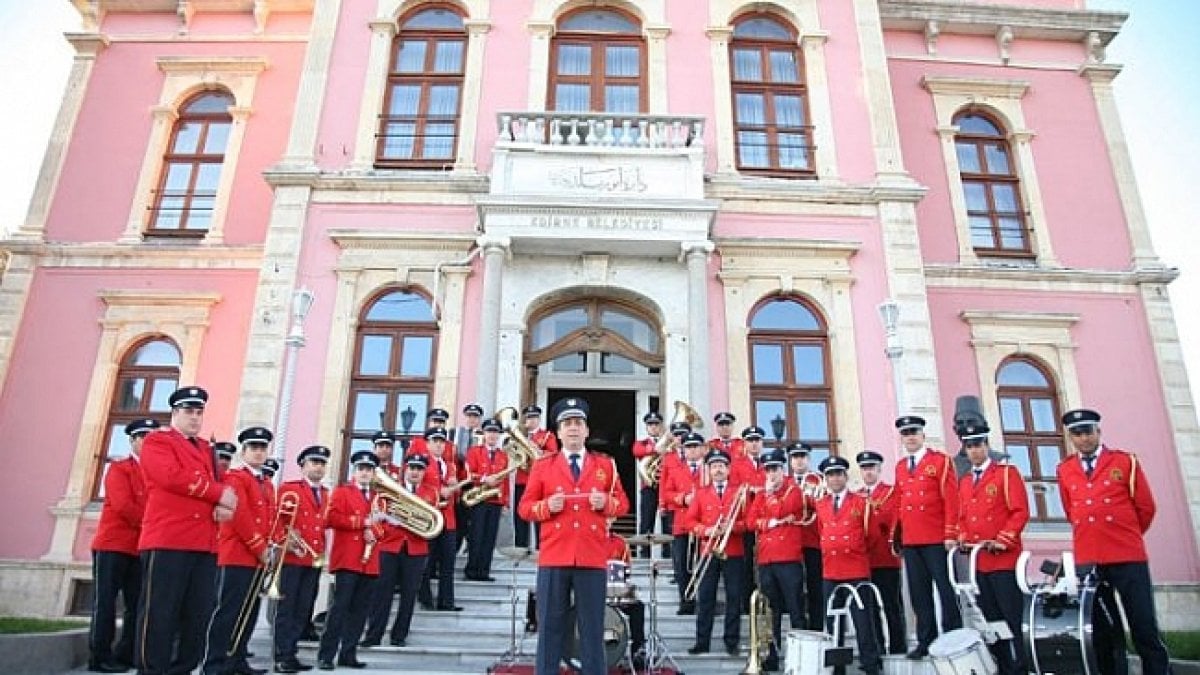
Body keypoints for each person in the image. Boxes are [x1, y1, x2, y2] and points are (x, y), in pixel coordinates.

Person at [518, 397, 630, 675]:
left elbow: (623, 504)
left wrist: (604, 502)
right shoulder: (543, 465)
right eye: (567, 424)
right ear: (558, 432)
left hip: (591, 557)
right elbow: (524, 508)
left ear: (587, 431)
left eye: (578, 423)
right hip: (555, 556)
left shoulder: (606, 465)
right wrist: (546, 507)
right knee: (549, 629)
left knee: (593, 630)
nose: (573, 429)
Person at [1057, 408, 1172, 675]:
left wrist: (1124, 534)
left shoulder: (1124, 462)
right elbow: (1071, 510)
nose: (1083, 439)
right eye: (1077, 434)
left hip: (1127, 556)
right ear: (1071, 437)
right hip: (1090, 558)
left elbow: (1146, 508)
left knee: (1144, 626)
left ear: (1098, 432)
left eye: (1087, 432)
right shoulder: (1065, 469)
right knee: (1104, 632)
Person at [135, 386, 237, 675]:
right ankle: (151, 670)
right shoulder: (158, 440)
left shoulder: (206, 448)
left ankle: (183, 668)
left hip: (203, 542)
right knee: (160, 613)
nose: (195, 417)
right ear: (175, 413)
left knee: (197, 615)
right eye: (188, 411)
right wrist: (217, 493)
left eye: (199, 412)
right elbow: (170, 477)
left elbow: (225, 486)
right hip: (169, 538)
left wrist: (226, 503)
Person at [955, 422, 1028, 675]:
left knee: (1011, 618)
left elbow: (1019, 512)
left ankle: (1019, 666)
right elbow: (962, 516)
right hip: (980, 562)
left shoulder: (1006, 474)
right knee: (991, 621)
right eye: (969, 446)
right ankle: (1002, 665)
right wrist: (963, 538)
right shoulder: (964, 482)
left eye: (978, 445)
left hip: (1003, 561)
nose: (974, 451)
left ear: (987, 446)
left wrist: (1003, 539)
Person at [203, 425, 276, 675]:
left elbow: (271, 517)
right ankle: (214, 664)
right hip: (237, 553)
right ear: (243, 451)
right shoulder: (235, 478)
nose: (258, 452)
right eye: (253, 448)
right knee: (228, 611)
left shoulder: (266, 482)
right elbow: (238, 514)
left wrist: (271, 545)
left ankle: (237, 660)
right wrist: (259, 547)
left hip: (258, 557)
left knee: (249, 612)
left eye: (262, 448)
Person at [89, 417, 157, 673]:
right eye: (143, 437)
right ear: (132, 441)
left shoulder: (153, 472)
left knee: (136, 604)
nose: (147, 442)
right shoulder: (120, 468)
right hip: (113, 545)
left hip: (139, 548)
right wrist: (154, 523)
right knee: (105, 602)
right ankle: (99, 656)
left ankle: (126, 653)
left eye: (152, 438)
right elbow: (123, 506)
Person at [894, 415, 961, 659]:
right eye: (905, 434)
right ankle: (926, 639)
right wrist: (898, 537)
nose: (910, 437)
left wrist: (951, 532)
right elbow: (900, 503)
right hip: (912, 539)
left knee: (945, 589)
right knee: (919, 593)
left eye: (914, 432)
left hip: (936, 537)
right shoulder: (901, 466)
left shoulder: (940, 461)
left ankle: (953, 636)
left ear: (922, 435)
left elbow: (951, 499)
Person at [317, 450, 386, 670]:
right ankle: (326, 655)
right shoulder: (342, 492)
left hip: (370, 561)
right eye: (361, 469)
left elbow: (383, 525)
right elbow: (331, 518)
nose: (365, 473)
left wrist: (374, 531)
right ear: (354, 472)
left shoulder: (378, 497)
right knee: (340, 608)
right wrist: (361, 524)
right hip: (348, 559)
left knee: (360, 611)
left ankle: (348, 653)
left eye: (369, 470)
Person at [816, 455, 883, 675]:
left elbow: (872, 536)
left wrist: (856, 551)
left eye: (838, 474)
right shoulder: (821, 504)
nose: (834, 479)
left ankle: (871, 665)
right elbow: (821, 531)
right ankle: (838, 668)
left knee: (863, 621)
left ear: (846, 476)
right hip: (831, 569)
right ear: (826, 479)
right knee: (834, 622)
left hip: (855, 569)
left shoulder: (861, 503)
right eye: (830, 475)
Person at [746, 447, 806, 672]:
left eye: (775, 469)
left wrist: (770, 500)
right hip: (766, 559)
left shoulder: (794, 490)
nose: (771, 474)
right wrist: (769, 522)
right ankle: (771, 654)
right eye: (768, 470)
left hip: (788, 558)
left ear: (783, 469)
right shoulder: (761, 494)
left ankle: (800, 655)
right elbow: (752, 522)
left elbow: (784, 509)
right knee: (771, 611)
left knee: (795, 608)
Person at [273, 445, 330, 674]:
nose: (318, 467)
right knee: (287, 609)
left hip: (312, 558)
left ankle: (291, 652)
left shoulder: (326, 494)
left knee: (303, 608)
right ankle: (281, 655)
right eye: (313, 462)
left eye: (321, 463)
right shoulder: (290, 489)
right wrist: (286, 540)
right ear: (303, 465)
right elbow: (278, 520)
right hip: (292, 558)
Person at [684, 445, 746, 657]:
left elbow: (747, 522)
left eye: (721, 466)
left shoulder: (739, 492)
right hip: (709, 550)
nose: (718, 470)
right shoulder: (701, 494)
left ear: (728, 469)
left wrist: (732, 527)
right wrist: (707, 530)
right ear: (709, 470)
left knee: (734, 597)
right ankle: (702, 641)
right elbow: (689, 522)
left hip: (734, 551)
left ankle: (731, 641)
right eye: (714, 466)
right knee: (706, 597)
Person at [377, 455, 437, 647]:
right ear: (405, 470)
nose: (414, 472)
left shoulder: (431, 493)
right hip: (391, 545)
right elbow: (380, 512)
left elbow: (430, 522)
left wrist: (407, 519)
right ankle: (374, 634)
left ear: (424, 472)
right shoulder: (393, 488)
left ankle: (399, 635)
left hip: (416, 548)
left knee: (409, 594)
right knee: (382, 593)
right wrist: (391, 519)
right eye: (411, 468)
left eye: (419, 469)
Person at [856, 450, 907, 656]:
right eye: (864, 468)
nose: (868, 472)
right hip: (864, 561)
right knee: (869, 609)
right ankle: (876, 648)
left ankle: (898, 648)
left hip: (886, 559)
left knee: (891, 606)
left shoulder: (891, 493)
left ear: (879, 470)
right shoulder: (857, 496)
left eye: (871, 468)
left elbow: (894, 521)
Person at [361, 431, 405, 647]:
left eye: (388, 446)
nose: (384, 449)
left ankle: (381, 633)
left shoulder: (399, 473)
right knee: (373, 591)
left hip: (389, 538)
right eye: (381, 446)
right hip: (367, 536)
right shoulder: (365, 473)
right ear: (374, 448)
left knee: (383, 589)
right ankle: (370, 634)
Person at [658, 426, 704, 615]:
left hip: (703, 525)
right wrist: (683, 498)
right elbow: (667, 493)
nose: (692, 450)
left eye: (695, 446)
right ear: (683, 449)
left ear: (701, 449)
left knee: (701, 565)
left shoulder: (711, 468)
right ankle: (686, 602)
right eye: (688, 446)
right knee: (681, 565)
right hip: (682, 523)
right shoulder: (677, 469)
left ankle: (702, 602)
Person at [418, 427, 464, 612]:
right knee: (427, 561)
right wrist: (439, 493)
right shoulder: (420, 463)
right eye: (435, 441)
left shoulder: (450, 465)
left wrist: (456, 487)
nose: (438, 444)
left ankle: (446, 601)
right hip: (429, 518)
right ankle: (425, 597)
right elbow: (416, 488)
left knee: (448, 562)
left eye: (441, 441)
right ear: (427, 443)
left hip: (449, 519)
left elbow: (455, 492)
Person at [464, 416, 508, 581]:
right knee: (476, 535)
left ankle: (484, 571)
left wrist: (506, 502)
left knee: (490, 538)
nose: (492, 435)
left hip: (495, 501)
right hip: (478, 500)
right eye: (490, 432)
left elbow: (505, 481)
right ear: (484, 433)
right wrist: (484, 479)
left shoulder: (503, 456)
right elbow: (469, 474)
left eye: (496, 432)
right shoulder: (474, 451)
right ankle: (471, 570)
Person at [789, 441, 825, 629]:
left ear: (808, 459)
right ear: (791, 460)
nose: (799, 461)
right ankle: (798, 624)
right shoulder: (785, 482)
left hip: (813, 540)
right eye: (795, 457)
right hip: (791, 542)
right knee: (794, 586)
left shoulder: (818, 480)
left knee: (815, 585)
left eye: (802, 457)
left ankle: (817, 625)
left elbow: (823, 506)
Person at [515, 404, 559, 549]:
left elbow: (553, 455)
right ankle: (521, 547)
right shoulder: (519, 436)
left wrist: (535, 450)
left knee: (540, 514)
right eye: (528, 418)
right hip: (522, 480)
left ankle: (542, 548)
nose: (531, 421)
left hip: (540, 481)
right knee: (520, 516)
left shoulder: (547, 436)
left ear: (539, 419)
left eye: (534, 418)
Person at [602, 524, 647, 663]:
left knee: (638, 607)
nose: (606, 521)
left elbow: (626, 570)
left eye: (609, 517)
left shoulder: (620, 542)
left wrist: (625, 587)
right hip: (593, 593)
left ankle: (637, 652)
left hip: (615, 591)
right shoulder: (586, 540)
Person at [631, 411, 666, 559]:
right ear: (646, 427)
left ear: (660, 426)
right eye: (650, 424)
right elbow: (636, 451)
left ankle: (668, 554)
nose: (653, 427)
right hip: (648, 486)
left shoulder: (667, 442)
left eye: (656, 424)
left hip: (665, 487)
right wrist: (655, 449)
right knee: (646, 521)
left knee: (667, 522)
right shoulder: (642, 443)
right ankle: (644, 554)